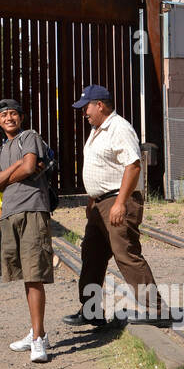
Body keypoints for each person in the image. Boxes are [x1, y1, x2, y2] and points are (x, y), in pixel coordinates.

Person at [63, 84, 164, 327]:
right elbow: (102, 169)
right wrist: (92, 200)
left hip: (118, 200)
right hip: (100, 204)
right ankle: (91, 310)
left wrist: (120, 203)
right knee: (92, 256)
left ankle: (159, 311)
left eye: (86, 107)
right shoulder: (98, 129)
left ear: (99, 105)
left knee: (125, 254)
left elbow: (133, 165)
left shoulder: (119, 127)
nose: (83, 112)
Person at [0, 98, 53, 363]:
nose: (9, 118)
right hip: (10, 214)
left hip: (33, 209)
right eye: (4, 115)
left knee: (34, 274)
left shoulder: (29, 137)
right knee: (25, 275)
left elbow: (28, 167)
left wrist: (5, 176)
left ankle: (38, 341)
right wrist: (11, 173)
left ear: (21, 118)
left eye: (14, 113)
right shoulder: (0, 151)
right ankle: (38, 333)